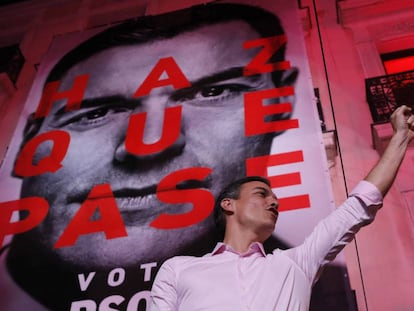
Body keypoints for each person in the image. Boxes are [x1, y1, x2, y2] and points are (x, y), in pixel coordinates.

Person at [2, 3, 305, 310]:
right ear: (29, 143)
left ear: (281, 104)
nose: (148, 143)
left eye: (213, 93)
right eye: (98, 112)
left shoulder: (311, 286)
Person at [149, 104, 414, 310]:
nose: (274, 202)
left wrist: (401, 136)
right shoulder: (179, 270)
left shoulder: (296, 263)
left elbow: (360, 205)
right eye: (262, 194)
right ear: (228, 204)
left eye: (274, 197)